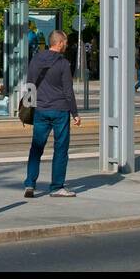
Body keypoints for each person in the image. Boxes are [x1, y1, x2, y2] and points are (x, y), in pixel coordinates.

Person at [23, 29, 81, 198]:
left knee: (36, 148)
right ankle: (56, 187)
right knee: (61, 149)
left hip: (41, 110)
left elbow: (30, 84)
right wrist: (75, 113)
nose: (67, 45)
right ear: (60, 43)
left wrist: (29, 108)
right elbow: (68, 91)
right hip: (60, 110)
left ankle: (29, 184)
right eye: (66, 42)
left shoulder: (35, 59)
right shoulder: (63, 63)